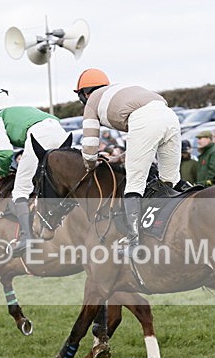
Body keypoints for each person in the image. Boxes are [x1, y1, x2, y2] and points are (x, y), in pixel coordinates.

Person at [75, 68, 183, 257]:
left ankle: (134, 242)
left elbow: (90, 149)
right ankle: (173, 228)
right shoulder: (119, 90)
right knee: (169, 181)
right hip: (169, 115)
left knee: (135, 183)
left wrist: (90, 166)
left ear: (84, 94)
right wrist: (119, 157)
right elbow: (140, 139)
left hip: (145, 119)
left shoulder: (91, 103)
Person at [0, 88, 69, 257]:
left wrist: (2, 172)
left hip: (38, 137)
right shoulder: (26, 110)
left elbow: (5, 152)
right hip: (61, 133)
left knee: (20, 191)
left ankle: (26, 237)